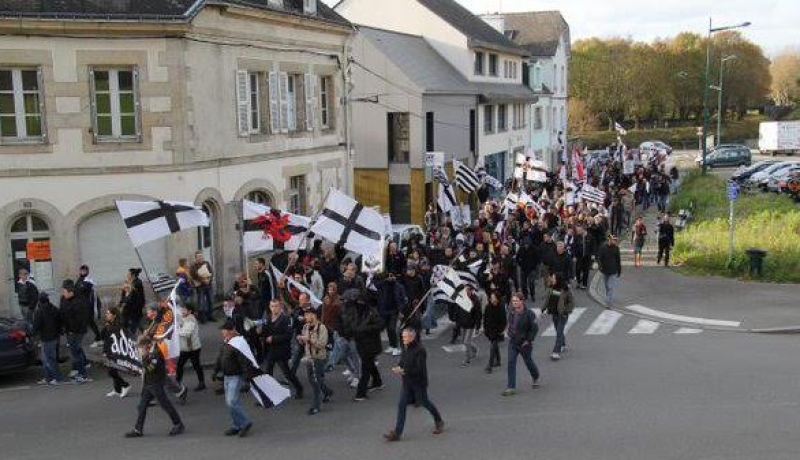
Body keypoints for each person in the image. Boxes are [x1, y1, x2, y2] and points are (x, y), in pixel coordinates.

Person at [383, 328, 444, 442]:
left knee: (425, 402)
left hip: (418, 383)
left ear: (412, 337)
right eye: (403, 337)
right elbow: (403, 361)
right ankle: (397, 433)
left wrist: (403, 371)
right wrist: (398, 367)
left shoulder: (420, 350)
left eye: (405, 337)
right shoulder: (406, 347)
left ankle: (438, 420)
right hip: (407, 383)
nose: (403, 339)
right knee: (401, 405)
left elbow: (419, 369)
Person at [126, 335, 185, 438]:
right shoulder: (149, 352)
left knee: (165, 405)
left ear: (147, 346)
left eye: (141, 347)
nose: (139, 350)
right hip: (148, 384)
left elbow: (150, 368)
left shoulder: (156, 353)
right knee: (142, 406)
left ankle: (178, 424)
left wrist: (144, 358)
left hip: (156, 383)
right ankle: (138, 429)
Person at [215, 320, 254, 437]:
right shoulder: (227, 342)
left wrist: (247, 379)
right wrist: (215, 370)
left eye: (225, 330)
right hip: (227, 376)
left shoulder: (238, 343)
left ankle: (245, 422)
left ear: (231, 331)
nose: (222, 332)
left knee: (232, 401)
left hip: (235, 376)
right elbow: (220, 357)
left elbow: (244, 362)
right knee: (231, 402)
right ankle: (237, 425)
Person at [263, 299, 304, 398]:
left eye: (276, 306)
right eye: (272, 306)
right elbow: (265, 333)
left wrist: (273, 339)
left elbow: (288, 335)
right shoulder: (268, 318)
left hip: (281, 351)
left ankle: (299, 388)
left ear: (280, 307)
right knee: (267, 373)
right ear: (269, 307)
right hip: (271, 351)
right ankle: (267, 395)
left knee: (287, 373)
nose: (274, 308)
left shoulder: (285, 319)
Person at [348, 291, 384, 401]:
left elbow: (380, 325)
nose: (359, 304)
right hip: (360, 343)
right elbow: (352, 324)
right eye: (358, 301)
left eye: (361, 301)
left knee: (365, 368)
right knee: (370, 364)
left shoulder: (372, 313)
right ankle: (378, 382)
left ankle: (361, 393)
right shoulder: (355, 312)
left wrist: (365, 329)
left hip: (371, 343)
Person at [502, 293, 539, 397]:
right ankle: (511, 387)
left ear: (522, 301)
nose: (514, 303)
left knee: (528, 362)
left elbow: (534, 328)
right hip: (513, 342)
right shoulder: (512, 313)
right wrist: (508, 333)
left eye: (516, 301)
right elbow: (510, 325)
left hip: (524, 344)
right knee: (510, 362)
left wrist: (528, 340)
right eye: (513, 301)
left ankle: (535, 376)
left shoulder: (529, 314)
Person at [298, 307, 332, 415]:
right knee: (313, 379)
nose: (305, 317)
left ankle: (316, 406)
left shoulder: (322, 328)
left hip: (319, 358)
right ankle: (327, 392)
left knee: (316, 381)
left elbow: (322, 344)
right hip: (309, 357)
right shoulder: (305, 327)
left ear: (314, 315)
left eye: (307, 315)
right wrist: (301, 340)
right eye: (305, 315)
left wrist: (309, 340)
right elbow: (304, 342)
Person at [60, 280, 91, 383]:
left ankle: (83, 374)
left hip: (77, 331)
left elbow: (80, 319)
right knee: (75, 351)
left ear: (71, 292)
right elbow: (63, 312)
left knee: (76, 352)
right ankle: (78, 369)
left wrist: (73, 330)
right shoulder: (64, 299)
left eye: (64, 291)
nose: (63, 294)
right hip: (69, 330)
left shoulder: (79, 301)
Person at [31, 292, 63, 385]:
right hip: (54, 337)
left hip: (46, 338)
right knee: (48, 359)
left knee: (48, 359)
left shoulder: (39, 312)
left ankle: (56, 377)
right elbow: (60, 322)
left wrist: (32, 334)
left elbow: (36, 326)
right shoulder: (54, 309)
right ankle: (48, 377)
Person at [100, 307, 131, 398]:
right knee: (112, 370)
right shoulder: (109, 324)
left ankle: (125, 385)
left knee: (112, 371)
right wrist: (106, 327)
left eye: (108, 313)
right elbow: (102, 336)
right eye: (106, 313)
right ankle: (117, 389)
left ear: (114, 315)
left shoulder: (119, 326)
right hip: (108, 350)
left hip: (115, 351)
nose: (106, 315)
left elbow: (119, 339)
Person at [177, 304, 205, 392]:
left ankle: (201, 382)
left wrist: (176, 331)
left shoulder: (191, 320)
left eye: (184, 310)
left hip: (193, 348)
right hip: (186, 348)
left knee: (196, 365)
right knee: (180, 365)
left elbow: (186, 333)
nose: (182, 311)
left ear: (189, 311)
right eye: (182, 309)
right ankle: (178, 382)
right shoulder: (184, 318)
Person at [454, 285, 482, 367]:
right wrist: (457, 322)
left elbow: (478, 315)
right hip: (463, 323)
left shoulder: (475, 301)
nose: (466, 292)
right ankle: (475, 349)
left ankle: (467, 360)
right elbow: (458, 311)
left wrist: (478, 326)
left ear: (471, 291)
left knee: (466, 342)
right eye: (465, 291)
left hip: (471, 324)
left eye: (468, 290)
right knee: (465, 341)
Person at [75, 265, 103, 348]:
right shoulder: (80, 280)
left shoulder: (88, 281)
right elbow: (76, 289)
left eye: (84, 271)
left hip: (88, 306)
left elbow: (81, 290)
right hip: (81, 305)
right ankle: (76, 340)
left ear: (87, 272)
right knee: (83, 323)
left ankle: (99, 338)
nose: (82, 272)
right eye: (81, 270)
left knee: (90, 323)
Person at [482, 292, 506, 374]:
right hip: (490, 331)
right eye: (491, 297)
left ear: (497, 299)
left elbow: (504, 321)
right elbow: (485, 320)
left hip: (498, 332)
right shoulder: (488, 307)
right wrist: (485, 329)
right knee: (494, 345)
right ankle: (498, 360)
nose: (491, 299)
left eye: (493, 297)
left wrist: (500, 330)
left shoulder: (501, 308)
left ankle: (490, 365)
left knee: (492, 347)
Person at [597, 235, 622, 305]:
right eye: (614, 240)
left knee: (610, 286)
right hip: (605, 270)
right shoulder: (603, 247)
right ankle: (608, 296)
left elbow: (618, 260)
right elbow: (599, 258)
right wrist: (600, 266)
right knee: (606, 286)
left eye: (616, 240)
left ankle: (608, 301)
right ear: (609, 240)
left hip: (613, 270)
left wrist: (619, 270)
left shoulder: (616, 248)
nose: (615, 241)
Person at [190, 251, 215, 323]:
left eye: (201, 256)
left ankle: (210, 316)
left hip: (208, 285)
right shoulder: (193, 265)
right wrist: (203, 280)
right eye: (199, 256)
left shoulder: (206, 263)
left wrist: (209, 280)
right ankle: (202, 318)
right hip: (200, 287)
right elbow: (194, 275)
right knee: (201, 303)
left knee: (211, 301)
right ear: (196, 258)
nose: (200, 258)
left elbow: (211, 272)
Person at [120, 268, 145, 332]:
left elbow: (131, 295)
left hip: (134, 309)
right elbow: (124, 294)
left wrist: (128, 287)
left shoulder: (137, 283)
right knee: (127, 324)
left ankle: (142, 335)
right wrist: (121, 303)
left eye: (128, 274)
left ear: (133, 275)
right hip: (128, 309)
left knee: (134, 324)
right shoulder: (129, 282)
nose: (127, 275)